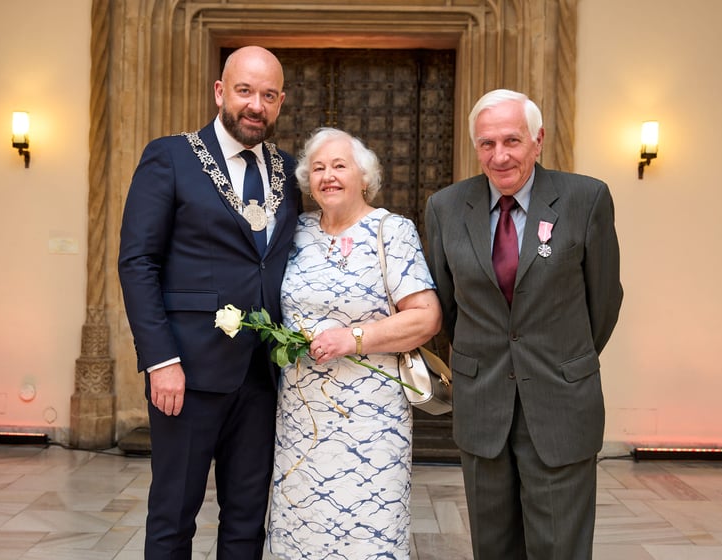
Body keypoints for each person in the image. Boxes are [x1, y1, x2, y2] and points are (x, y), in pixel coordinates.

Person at [424, 89, 623, 559]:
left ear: (538, 140)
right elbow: (445, 307)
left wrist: (561, 359)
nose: (500, 156)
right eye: (487, 143)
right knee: (493, 548)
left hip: (560, 402)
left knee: (559, 548)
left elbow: (604, 301)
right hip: (483, 404)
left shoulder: (586, 198)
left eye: (512, 140)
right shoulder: (446, 207)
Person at [118, 46, 299, 559]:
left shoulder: (288, 171)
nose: (256, 105)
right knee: (173, 517)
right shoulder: (171, 156)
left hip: (262, 377)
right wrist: (161, 361)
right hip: (188, 373)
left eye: (268, 95)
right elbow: (138, 262)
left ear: (280, 102)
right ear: (220, 92)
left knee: (246, 522)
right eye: (245, 91)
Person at [267, 127, 442, 559]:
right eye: (318, 169)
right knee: (302, 533)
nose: (328, 176)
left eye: (339, 166)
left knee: (368, 536)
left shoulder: (391, 231)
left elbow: (426, 317)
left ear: (364, 177)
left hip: (371, 419)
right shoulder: (294, 232)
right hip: (301, 418)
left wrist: (352, 338)